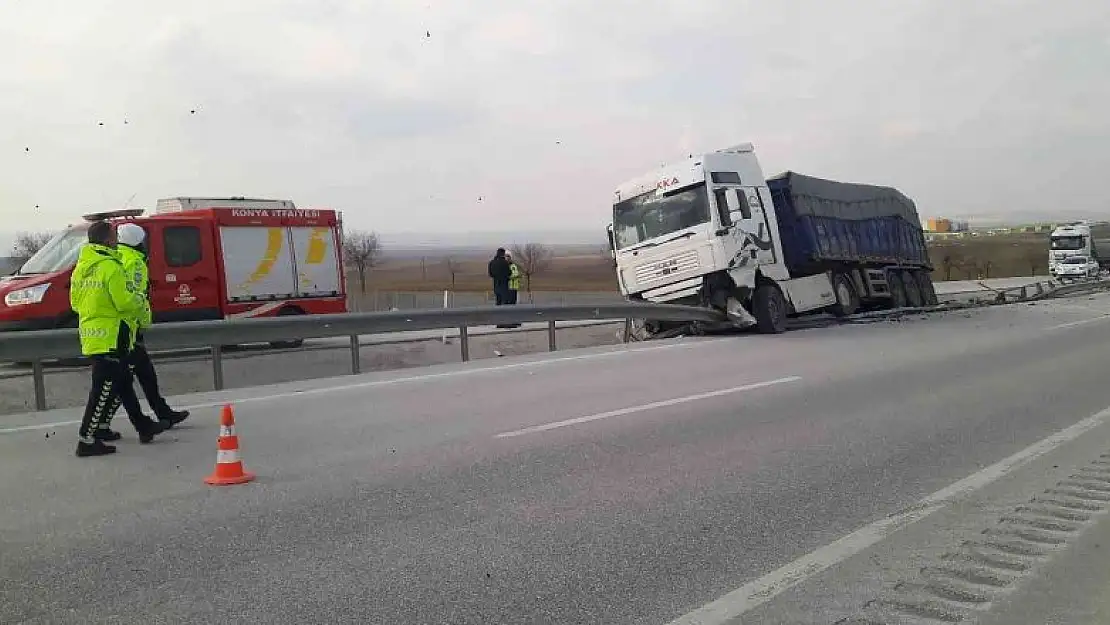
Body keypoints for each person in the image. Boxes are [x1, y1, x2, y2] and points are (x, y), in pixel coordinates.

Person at [71, 220, 169, 457]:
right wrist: (142, 304)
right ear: (107, 239)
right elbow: (124, 301)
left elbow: (75, 302)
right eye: (114, 235)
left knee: (122, 380)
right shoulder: (111, 266)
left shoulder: (83, 266)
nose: (117, 239)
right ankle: (87, 439)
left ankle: (142, 425)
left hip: (91, 332)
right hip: (112, 335)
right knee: (103, 388)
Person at [96, 223, 189, 437]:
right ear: (139, 242)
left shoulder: (118, 256)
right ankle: (150, 419)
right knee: (134, 377)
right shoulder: (136, 262)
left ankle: (158, 414)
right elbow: (135, 296)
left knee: (133, 376)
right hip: (129, 327)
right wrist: (137, 326)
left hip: (120, 326)